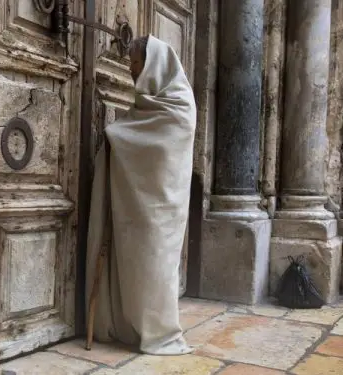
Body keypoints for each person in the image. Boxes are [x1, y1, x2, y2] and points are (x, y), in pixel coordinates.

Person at [85, 35, 196, 356]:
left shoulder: (178, 101)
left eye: (136, 63)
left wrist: (115, 135)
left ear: (154, 63)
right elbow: (138, 135)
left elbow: (159, 144)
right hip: (137, 198)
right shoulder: (148, 101)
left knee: (155, 264)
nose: (132, 70)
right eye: (131, 63)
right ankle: (124, 324)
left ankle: (158, 332)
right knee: (131, 261)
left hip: (163, 204)